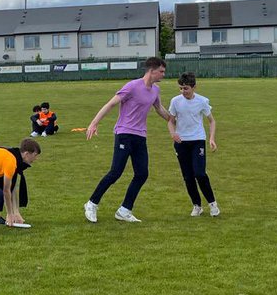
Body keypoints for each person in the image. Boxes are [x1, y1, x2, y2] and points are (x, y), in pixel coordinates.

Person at [83, 57, 173, 223]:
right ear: (151, 71)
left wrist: (172, 119)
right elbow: (110, 104)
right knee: (116, 172)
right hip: (124, 133)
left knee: (142, 174)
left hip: (140, 136)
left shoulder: (155, 90)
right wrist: (93, 123)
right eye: (161, 71)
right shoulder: (132, 86)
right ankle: (91, 203)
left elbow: (158, 108)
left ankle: (124, 210)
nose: (163, 74)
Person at [168, 72, 220, 217]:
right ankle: (197, 205)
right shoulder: (175, 101)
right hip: (181, 143)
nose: (183, 91)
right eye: (181, 88)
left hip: (197, 141)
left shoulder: (202, 101)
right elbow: (171, 121)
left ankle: (212, 203)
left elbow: (212, 121)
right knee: (188, 176)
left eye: (186, 88)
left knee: (200, 173)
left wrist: (211, 139)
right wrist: (173, 134)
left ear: (194, 87)